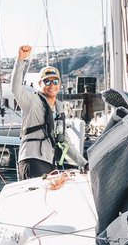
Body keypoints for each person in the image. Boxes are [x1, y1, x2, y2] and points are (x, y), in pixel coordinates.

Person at [12, 46, 84, 181]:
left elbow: (64, 141)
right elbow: (15, 88)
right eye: (47, 81)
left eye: (55, 81)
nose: (52, 85)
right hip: (32, 160)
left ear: (60, 84)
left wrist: (83, 163)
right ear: (40, 83)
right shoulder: (31, 100)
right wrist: (21, 60)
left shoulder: (59, 108)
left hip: (50, 162)